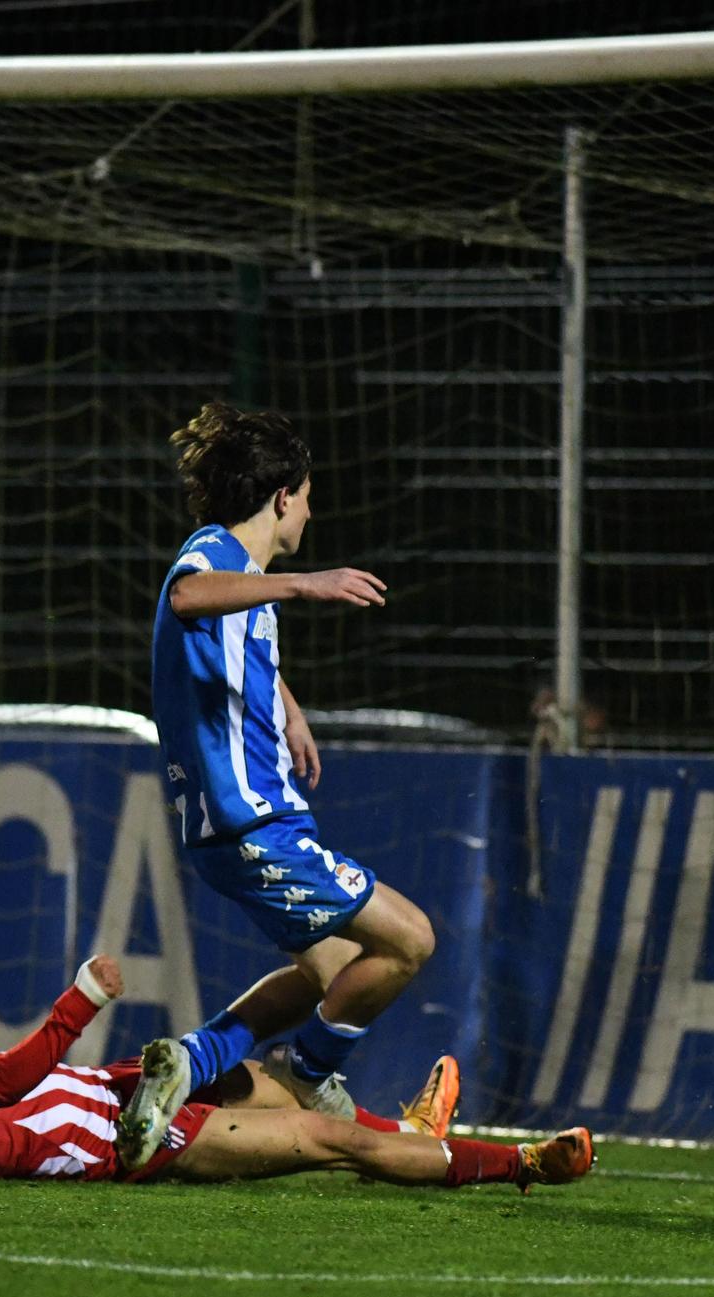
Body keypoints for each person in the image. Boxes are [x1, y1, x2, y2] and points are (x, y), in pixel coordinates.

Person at [133, 402, 439, 1164]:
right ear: (281, 497)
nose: (310, 509)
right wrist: (308, 585)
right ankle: (309, 1076)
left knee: (332, 972)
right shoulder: (216, 556)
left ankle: (195, 1061)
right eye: (307, 494)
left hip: (236, 829)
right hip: (253, 825)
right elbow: (185, 597)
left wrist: (289, 710)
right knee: (410, 942)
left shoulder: (250, 583)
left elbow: (236, 649)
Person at [0, 941, 593, 1192]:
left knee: (271, 1085)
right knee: (319, 1134)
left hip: (115, 1091)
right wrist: (80, 1000)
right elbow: (0, 1084)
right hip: (119, 1135)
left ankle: (415, 1136)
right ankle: (521, 1161)